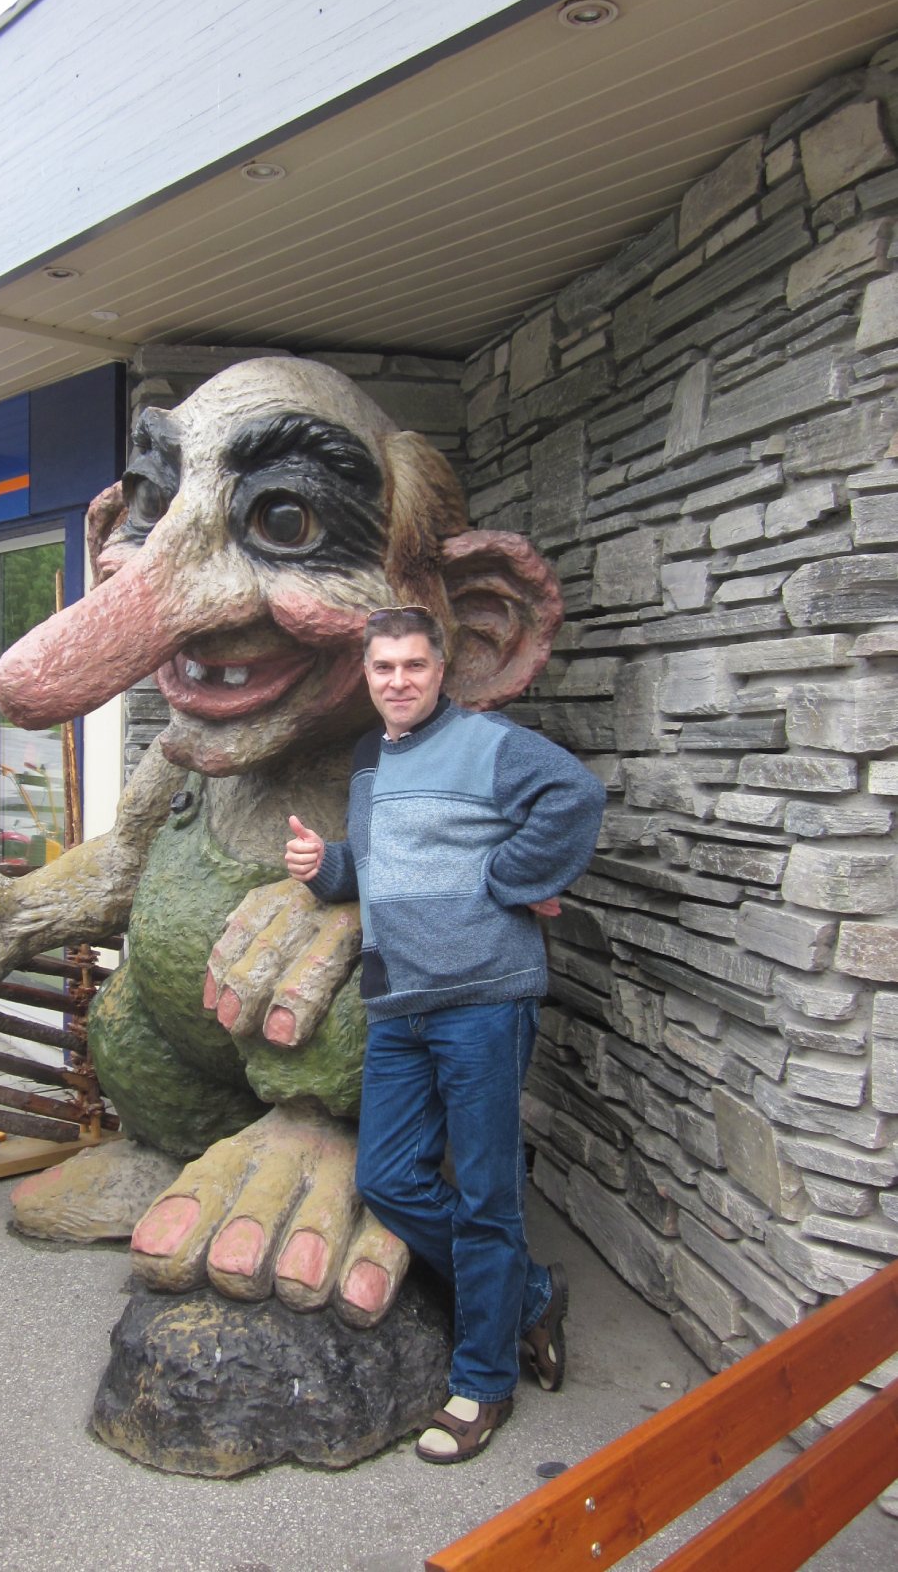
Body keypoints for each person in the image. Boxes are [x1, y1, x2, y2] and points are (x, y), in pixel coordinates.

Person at [284, 604, 605, 1464]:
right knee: (389, 1178)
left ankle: (482, 1384)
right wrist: (326, 867)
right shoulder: (369, 756)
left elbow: (576, 798)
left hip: (482, 1000)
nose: (399, 681)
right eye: (384, 668)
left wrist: (507, 876)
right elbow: (380, 864)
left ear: (440, 669)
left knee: (489, 1194)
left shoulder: (489, 743)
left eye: (414, 666)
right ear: (368, 674)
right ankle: (529, 1297)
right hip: (399, 1000)